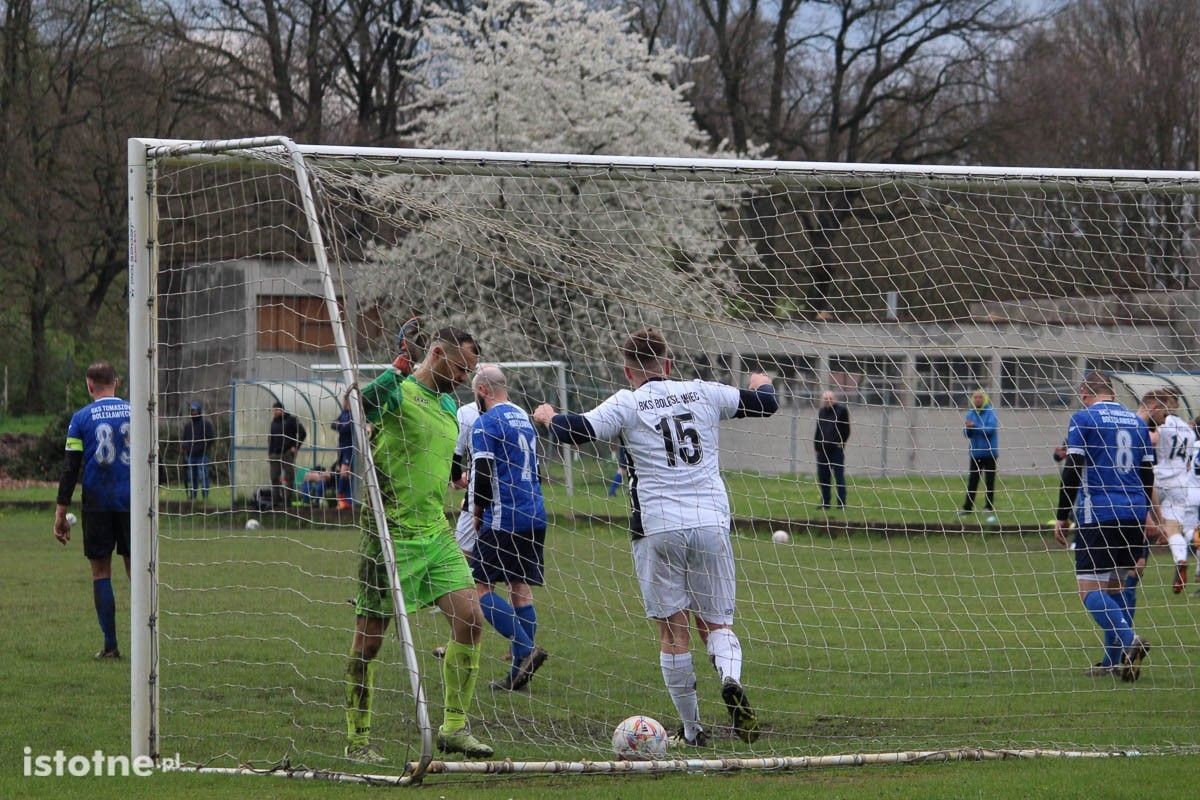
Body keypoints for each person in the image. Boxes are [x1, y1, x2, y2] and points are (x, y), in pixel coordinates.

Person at [532, 328, 778, 748]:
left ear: (629, 371)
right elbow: (766, 404)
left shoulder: (627, 402)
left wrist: (547, 416)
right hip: (711, 523)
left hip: (658, 528)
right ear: (667, 364)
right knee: (716, 622)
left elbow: (575, 431)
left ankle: (693, 731)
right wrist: (761, 382)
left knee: (673, 632)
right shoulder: (702, 391)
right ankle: (731, 678)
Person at [344, 326, 490, 764]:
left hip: (436, 533)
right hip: (388, 536)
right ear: (437, 354)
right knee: (369, 645)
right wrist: (396, 370)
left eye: (471, 370)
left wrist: (454, 475)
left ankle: (453, 728)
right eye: (461, 367)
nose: (465, 377)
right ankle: (357, 740)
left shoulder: (448, 404)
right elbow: (358, 405)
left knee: (471, 618)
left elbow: (432, 449)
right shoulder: (398, 392)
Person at [1053, 371, 1152, 682]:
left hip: (1100, 513)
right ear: (1111, 392)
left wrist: (1062, 514)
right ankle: (1112, 662)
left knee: (1089, 591)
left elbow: (1073, 467)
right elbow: (1147, 473)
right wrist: (1146, 512)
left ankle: (1130, 640)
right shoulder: (1137, 422)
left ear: (1085, 393)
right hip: (1134, 511)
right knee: (1116, 586)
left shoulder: (1083, 418)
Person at [469, 364, 549, 691]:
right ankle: (518, 675)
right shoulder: (524, 419)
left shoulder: (484, 423)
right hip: (535, 513)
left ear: (483, 391)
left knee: (480, 588)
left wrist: (476, 512)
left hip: (504, 517)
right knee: (520, 588)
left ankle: (524, 647)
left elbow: (484, 474)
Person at [53, 362, 132, 660]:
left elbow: (70, 467)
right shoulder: (136, 411)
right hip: (132, 501)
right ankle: (146, 644)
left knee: (101, 572)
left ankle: (110, 645)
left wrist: (61, 511)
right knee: (136, 569)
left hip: (97, 502)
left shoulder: (80, 418)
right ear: (117, 382)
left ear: (89, 386)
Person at [1142, 389, 1195, 594]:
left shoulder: (1164, 423)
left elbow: (1152, 440)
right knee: (1173, 529)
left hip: (1158, 478)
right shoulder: (1189, 430)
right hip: (1180, 481)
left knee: (1144, 519)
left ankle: (1135, 561)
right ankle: (1180, 558)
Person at [960, 389, 999, 523]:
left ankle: (988, 507)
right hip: (975, 453)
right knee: (972, 481)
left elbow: (990, 430)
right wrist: (968, 428)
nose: (977, 400)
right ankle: (967, 508)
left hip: (989, 453)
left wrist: (974, 426)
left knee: (989, 482)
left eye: (980, 398)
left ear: (985, 399)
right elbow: (966, 433)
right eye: (975, 398)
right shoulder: (971, 413)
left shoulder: (990, 413)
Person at [451, 400, 481, 555]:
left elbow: (455, 454)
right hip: (518, 500)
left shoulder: (467, 411)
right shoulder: (519, 412)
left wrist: (456, 479)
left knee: (464, 555)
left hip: (480, 493)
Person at [813, 390, 850, 510]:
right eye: (825, 399)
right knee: (823, 477)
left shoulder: (841, 411)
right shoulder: (822, 412)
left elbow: (846, 430)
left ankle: (841, 503)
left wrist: (840, 443)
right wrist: (817, 446)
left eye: (829, 398)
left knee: (839, 477)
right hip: (822, 450)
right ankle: (825, 502)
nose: (827, 401)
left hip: (836, 450)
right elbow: (818, 429)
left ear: (834, 399)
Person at [267, 402, 306, 509]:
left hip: (287, 453)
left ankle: (286, 503)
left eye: (276, 410)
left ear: (282, 410)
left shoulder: (291, 420)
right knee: (274, 478)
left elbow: (303, 433)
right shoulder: (273, 423)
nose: (274, 412)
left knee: (289, 477)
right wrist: (270, 454)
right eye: (273, 410)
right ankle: (275, 502)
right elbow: (271, 439)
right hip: (275, 454)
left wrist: (296, 447)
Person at [181, 400, 215, 501]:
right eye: (192, 411)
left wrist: (203, 449)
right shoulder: (188, 426)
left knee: (203, 476)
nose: (193, 413)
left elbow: (211, 439)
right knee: (192, 477)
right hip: (190, 456)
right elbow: (184, 439)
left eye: (195, 411)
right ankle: (193, 496)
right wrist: (184, 448)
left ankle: (205, 496)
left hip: (202, 455)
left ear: (199, 411)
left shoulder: (206, 425)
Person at [331, 396, 354, 510]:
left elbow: (348, 428)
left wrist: (341, 426)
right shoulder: (344, 413)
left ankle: (340, 496)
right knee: (344, 472)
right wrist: (341, 425)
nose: (344, 403)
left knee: (345, 472)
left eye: (345, 401)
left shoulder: (354, 414)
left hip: (350, 447)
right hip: (342, 447)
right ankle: (345, 500)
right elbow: (333, 424)